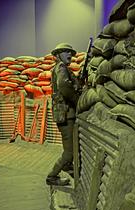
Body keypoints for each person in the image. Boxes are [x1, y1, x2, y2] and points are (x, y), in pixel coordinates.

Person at [46, 43, 80, 186]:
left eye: (71, 52)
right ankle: (52, 176)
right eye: (66, 52)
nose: (70, 55)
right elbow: (64, 86)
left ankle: (67, 166)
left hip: (65, 113)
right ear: (58, 55)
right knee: (69, 152)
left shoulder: (62, 68)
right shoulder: (61, 68)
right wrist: (78, 100)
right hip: (66, 114)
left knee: (69, 148)